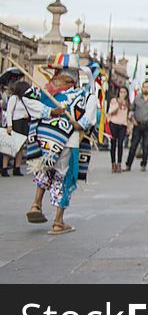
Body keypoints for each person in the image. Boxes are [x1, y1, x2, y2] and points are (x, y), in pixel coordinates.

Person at [23, 54, 97, 235]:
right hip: (68, 141)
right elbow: (89, 116)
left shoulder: (45, 93)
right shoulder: (84, 95)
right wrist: (79, 124)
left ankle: (36, 204)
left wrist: (49, 112)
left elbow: (26, 99)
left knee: (45, 170)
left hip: (45, 140)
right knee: (64, 178)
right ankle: (58, 222)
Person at [125, 80, 148, 171]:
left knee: (146, 146)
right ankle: (128, 164)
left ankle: (143, 164)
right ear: (142, 88)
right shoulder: (137, 98)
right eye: (144, 87)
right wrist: (132, 120)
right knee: (133, 146)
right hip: (137, 124)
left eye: (147, 87)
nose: (146, 89)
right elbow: (131, 110)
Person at [2, 80, 32, 176]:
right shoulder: (14, 98)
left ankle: (17, 167)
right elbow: (9, 112)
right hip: (15, 123)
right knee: (9, 146)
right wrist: (9, 125)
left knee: (20, 147)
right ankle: (4, 168)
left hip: (23, 122)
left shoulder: (25, 99)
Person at [107, 86, 130, 173]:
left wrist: (128, 126)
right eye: (121, 92)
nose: (123, 94)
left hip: (123, 125)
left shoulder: (127, 103)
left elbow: (127, 115)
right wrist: (118, 104)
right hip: (114, 123)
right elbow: (110, 111)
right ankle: (113, 163)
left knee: (120, 144)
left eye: (124, 92)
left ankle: (119, 163)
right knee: (113, 144)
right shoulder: (114, 101)